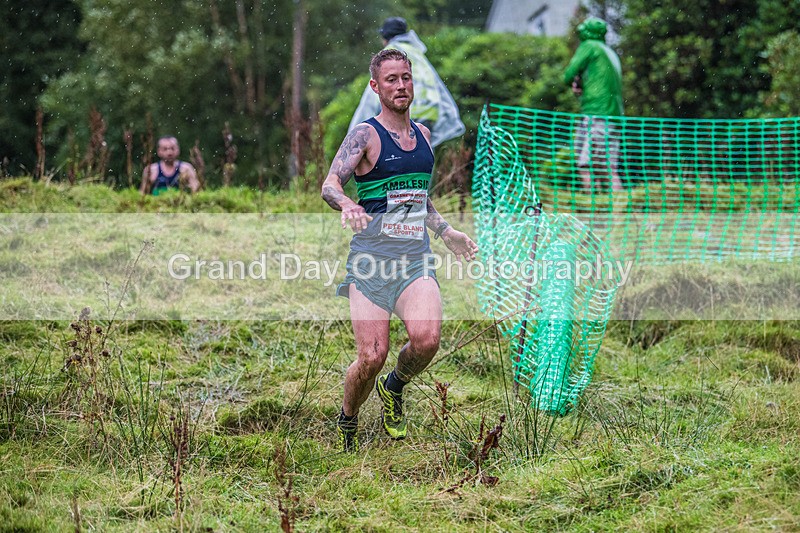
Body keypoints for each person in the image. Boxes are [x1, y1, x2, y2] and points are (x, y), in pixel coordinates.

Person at [321, 48, 478, 452]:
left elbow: (417, 198)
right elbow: (329, 185)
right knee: (372, 356)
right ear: (376, 86)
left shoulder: (423, 136)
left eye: (405, 77)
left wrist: (446, 230)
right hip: (372, 262)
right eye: (391, 79)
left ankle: (394, 389)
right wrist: (349, 204)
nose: (401, 85)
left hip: (415, 259)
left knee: (426, 340)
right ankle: (348, 418)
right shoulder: (365, 135)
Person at [348, 17, 465, 149]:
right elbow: (438, 86)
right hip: (429, 114)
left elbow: (370, 98)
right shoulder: (417, 53)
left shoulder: (390, 55)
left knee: (398, 158)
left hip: (404, 111)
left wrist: (354, 134)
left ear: (385, 38)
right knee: (421, 158)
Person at [563, 17, 624, 192]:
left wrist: (575, 81)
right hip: (614, 115)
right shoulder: (610, 52)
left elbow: (568, 74)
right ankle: (620, 211)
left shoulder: (589, 46)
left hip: (596, 113)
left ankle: (592, 208)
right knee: (608, 168)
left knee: (586, 164)